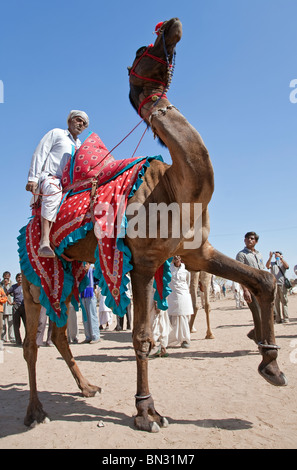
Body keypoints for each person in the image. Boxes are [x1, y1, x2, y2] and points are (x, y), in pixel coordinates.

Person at [25, 110, 89, 258]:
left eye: (84, 124)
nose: (81, 124)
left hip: (70, 185)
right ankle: (44, 242)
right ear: (70, 121)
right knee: (53, 193)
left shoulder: (80, 145)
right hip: (51, 178)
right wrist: (33, 178)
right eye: (78, 120)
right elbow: (40, 152)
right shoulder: (56, 133)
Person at [236, 231, 266, 343]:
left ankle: (254, 333)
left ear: (256, 241)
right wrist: (245, 290)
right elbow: (240, 274)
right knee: (257, 316)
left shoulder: (259, 255)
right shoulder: (241, 255)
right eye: (247, 238)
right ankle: (261, 342)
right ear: (244, 240)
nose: (249, 240)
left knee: (264, 316)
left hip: (261, 289)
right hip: (251, 289)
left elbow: (262, 271)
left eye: (252, 238)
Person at [167, 255, 193, 348]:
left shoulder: (186, 272)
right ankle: (172, 339)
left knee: (184, 317)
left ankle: (185, 340)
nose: (176, 259)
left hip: (183, 296)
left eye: (178, 257)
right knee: (173, 318)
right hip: (173, 296)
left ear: (181, 259)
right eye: (175, 257)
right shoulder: (169, 269)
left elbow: (188, 283)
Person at [266, 251, 290, 323]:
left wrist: (281, 258)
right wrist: (270, 257)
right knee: (276, 303)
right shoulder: (273, 264)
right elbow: (267, 266)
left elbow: (287, 266)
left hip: (282, 285)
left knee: (284, 301)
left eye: (277, 254)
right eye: (275, 255)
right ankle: (278, 319)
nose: (276, 256)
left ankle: (286, 318)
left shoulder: (282, 263)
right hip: (274, 285)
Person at [80, 263, 100, 344]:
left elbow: (98, 280)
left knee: (92, 315)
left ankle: (95, 336)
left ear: (89, 264)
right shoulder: (81, 273)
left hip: (90, 295)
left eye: (86, 264)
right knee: (85, 316)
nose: (84, 266)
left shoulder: (93, 272)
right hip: (82, 295)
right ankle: (88, 336)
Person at [149, 291, 172, 358]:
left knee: (156, 322)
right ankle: (162, 347)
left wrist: (157, 301)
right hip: (159, 297)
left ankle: (155, 347)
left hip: (156, 297)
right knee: (161, 322)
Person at [8, 273, 26, 346]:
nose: (20, 279)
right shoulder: (13, 287)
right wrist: (10, 302)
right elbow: (6, 294)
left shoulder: (26, 286)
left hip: (25, 308)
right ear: (16, 279)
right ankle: (18, 342)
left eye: (21, 277)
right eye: (18, 277)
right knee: (16, 325)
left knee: (27, 325)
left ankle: (26, 341)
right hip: (16, 307)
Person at [1, 272, 15, 342]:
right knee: (3, 324)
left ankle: (11, 337)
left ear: (9, 277)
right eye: (5, 277)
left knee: (10, 323)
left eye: (7, 277)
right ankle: (3, 337)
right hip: (2, 306)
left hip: (9, 306)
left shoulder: (12, 284)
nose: (6, 278)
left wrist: (7, 286)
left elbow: (12, 294)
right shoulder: (1, 284)